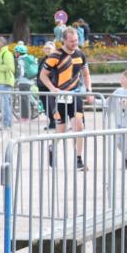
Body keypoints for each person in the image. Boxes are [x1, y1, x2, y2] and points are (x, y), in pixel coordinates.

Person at [39, 27, 94, 170]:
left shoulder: (80, 54)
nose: (74, 43)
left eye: (76, 41)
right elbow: (43, 76)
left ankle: (78, 160)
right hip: (58, 96)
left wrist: (89, 90)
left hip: (74, 95)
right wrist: (52, 89)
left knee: (79, 126)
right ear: (64, 40)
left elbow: (86, 74)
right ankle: (52, 148)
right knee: (61, 129)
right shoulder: (55, 56)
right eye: (71, 41)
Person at [0, 41, 16, 130]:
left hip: (4, 82)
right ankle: (6, 123)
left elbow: (10, 67)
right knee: (3, 103)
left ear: (0, 44)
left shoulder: (6, 54)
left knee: (4, 103)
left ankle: (7, 124)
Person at [14, 43, 38, 121]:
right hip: (29, 80)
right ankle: (34, 109)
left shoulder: (21, 60)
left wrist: (17, 78)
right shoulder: (28, 58)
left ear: (19, 52)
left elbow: (22, 71)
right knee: (27, 98)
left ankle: (25, 117)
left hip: (23, 81)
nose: (15, 53)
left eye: (16, 52)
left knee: (24, 100)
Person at [36, 41, 57, 130]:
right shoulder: (43, 59)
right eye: (46, 48)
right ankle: (52, 121)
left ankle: (55, 121)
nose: (47, 50)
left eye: (49, 48)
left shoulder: (55, 59)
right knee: (45, 105)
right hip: (42, 86)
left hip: (50, 85)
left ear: (54, 49)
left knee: (52, 105)